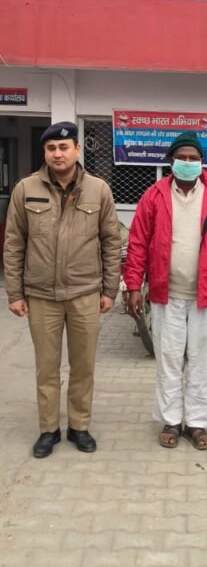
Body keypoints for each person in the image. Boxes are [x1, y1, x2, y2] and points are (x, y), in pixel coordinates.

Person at [124, 132, 207, 450]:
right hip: (166, 294)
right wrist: (134, 285)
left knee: (200, 360)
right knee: (168, 359)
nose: (188, 163)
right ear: (171, 161)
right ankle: (171, 420)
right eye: (183, 158)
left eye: (194, 158)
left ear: (203, 162)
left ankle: (197, 423)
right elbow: (137, 243)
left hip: (206, 296)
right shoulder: (154, 196)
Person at [4, 121, 121, 458]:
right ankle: (49, 429)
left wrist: (109, 289)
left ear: (77, 150)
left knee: (83, 367)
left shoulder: (98, 190)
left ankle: (79, 426)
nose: (58, 154)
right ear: (44, 152)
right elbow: (14, 243)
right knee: (47, 367)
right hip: (42, 296)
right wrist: (15, 293)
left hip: (85, 293)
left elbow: (111, 242)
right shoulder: (26, 189)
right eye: (51, 148)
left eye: (64, 147)